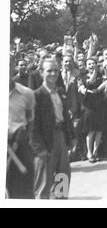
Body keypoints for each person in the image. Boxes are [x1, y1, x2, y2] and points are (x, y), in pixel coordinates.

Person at [30, 59, 74, 199]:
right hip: (46, 142)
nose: (53, 73)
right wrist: (39, 148)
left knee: (63, 177)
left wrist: (70, 137)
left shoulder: (60, 92)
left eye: (56, 70)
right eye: (49, 70)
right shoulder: (36, 95)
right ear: (42, 73)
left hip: (61, 137)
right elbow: (32, 126)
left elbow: (65, 117)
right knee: (44, 183)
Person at [8, 57, 35, 199]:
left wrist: (24, 135)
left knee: (24, 191)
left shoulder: (26, 93)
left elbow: (30, 120)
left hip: (19, 145)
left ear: (12, 66)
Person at [79, 57, 107, 163]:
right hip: (89, 106)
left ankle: (96, 151)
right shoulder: (83, 76)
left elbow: (106, 83)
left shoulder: (101, 76)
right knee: (91, 130)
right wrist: (95, 71)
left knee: (99, 130)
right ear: (86, 66)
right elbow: (89, 83)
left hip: (99, 104)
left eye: (93, 63)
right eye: (89, 64)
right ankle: (89, 152)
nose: (91, 65)